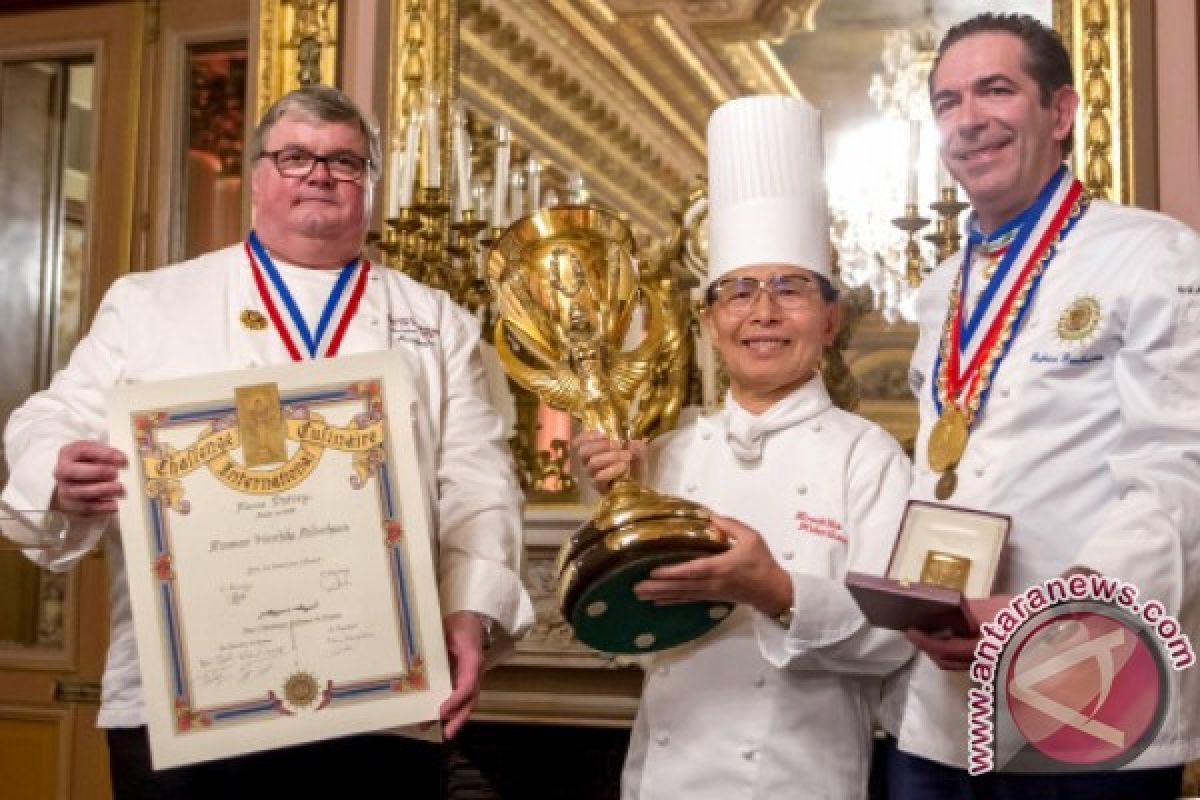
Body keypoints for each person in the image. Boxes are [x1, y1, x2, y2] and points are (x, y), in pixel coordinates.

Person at [0, 85, 533, 798]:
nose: (319, 173)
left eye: (346, 162)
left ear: (370, 185)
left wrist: (469, 610)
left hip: (380, 691)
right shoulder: (151, 302)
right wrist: (58, 471)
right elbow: (48, 418)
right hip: (185, 698)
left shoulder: (436, 322)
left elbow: (476, 482)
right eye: (294, 156)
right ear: (256, 177)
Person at [882, 13, 1200, 799]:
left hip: (1090, 693)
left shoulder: (1155, 254)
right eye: (949, 101)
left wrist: (1049, 613)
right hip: (940, 714)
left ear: (1059, 113)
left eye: (996, 89)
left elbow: (1179, 478)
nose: (970, 118)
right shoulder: (938, 291)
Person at [577, 95, 913, 800]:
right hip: (661, 778)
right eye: (739, 292)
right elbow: (620, 622)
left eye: (789, 290)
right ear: (709, 321)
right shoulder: (662, 455)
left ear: (830, 319)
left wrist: (778, 591)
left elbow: (897, 637)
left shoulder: (870, 456)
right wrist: (608, 500)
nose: (762, 312)